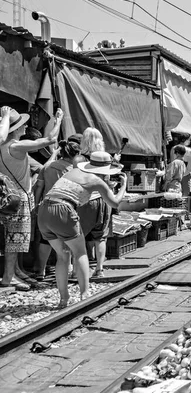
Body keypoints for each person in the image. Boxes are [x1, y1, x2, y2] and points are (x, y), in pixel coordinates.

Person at [38, 151, 126, 308]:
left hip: (44, 210)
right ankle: (84, 295)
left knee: (62, 255)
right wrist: (123, 185)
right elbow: (115, 203)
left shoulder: (72, 172)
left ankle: (63, 299)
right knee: (80, 252)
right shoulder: (96, 181)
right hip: (63, 209)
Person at [0, 107, 62, 291]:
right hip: (19, 198)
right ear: (14, 129)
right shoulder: (15, 146)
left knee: (14, 239)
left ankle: (15, 272)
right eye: (21, 124)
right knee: (14, 239)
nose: (25, 126)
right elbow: (50, 139)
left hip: (9, 198)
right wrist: (58, 120)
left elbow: (39, 168)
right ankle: (8, 277)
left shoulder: (6, 148)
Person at [33, 139, 81, 280]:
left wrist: (36, 206)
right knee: (70, 239)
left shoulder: (48, 166)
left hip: (46, 206)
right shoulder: (75, 169)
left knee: (45, 240)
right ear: (77, 154)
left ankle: (41, 271)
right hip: (67, 206)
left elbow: (39, 187)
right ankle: (70, 271)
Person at [73, 127, 115, 278]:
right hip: (104, 200)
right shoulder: (105, 158)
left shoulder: (80, 159)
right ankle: (100, 269)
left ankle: (76, 271)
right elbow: (109, 181)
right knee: (100, 237)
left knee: (78, 235)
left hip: (86, 200)